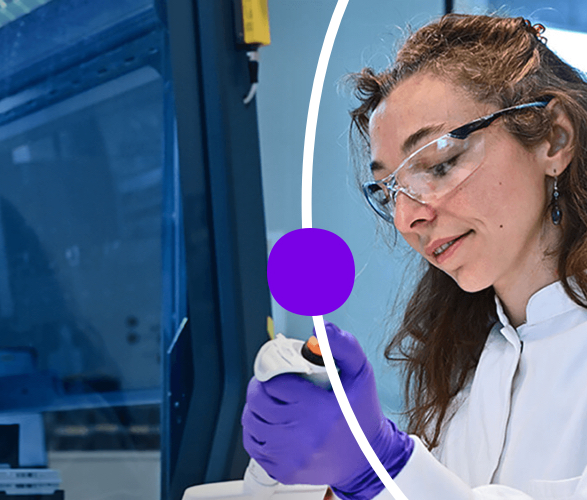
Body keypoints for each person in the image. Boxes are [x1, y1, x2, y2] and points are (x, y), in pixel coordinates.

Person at [242, 13, 587, 500]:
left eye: (439, 163)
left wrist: (378, 469)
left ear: (554, 138)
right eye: (390, 190)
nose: (406, 217)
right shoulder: (468, 365)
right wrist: (296, 472)